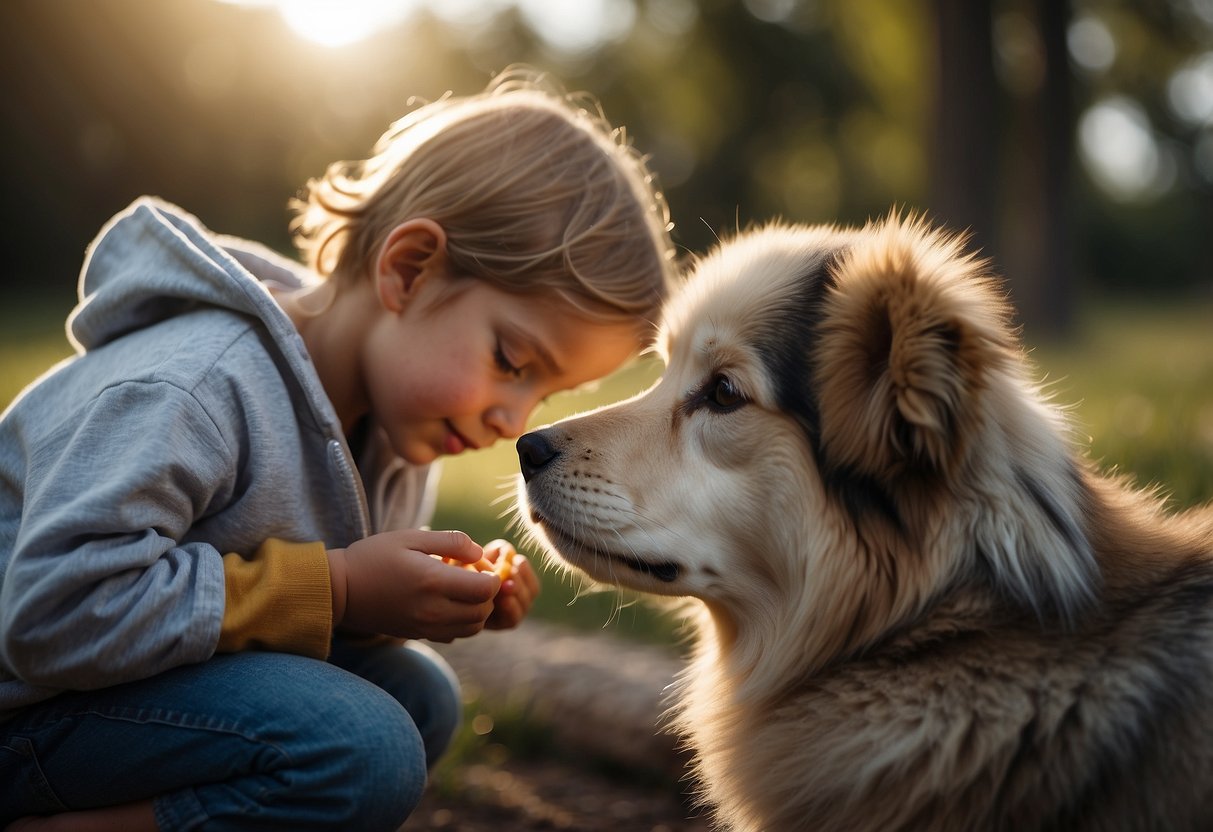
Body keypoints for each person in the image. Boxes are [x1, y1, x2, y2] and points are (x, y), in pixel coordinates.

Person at [0, 66, 677, 831]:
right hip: (28, 707)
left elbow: (300, 618)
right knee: (365, 748)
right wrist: (341, 587)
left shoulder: (391, 431)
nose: (513, 418)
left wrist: (424, 595)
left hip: (115, 693)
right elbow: (52, 618)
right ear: (409, 269)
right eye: (512, 363)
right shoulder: (195, 388)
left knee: (420, 699)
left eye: (543, 395)